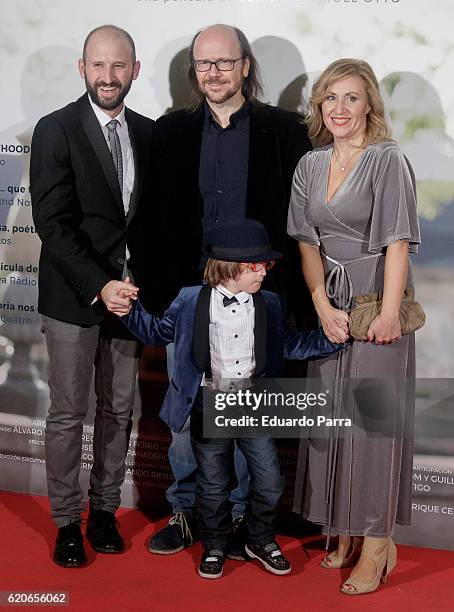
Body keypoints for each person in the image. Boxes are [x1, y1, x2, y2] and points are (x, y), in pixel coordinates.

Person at [149, 22, 313, 555]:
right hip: (192, 298)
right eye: (203, 64)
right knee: (186, 413)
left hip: (259, 297)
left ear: (245, 65)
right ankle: (189, 511)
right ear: (194, 71)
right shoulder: (170, 132)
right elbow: (153, 218)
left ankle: (240, 518)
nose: (213, 73)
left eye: (223, 62)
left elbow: (299, 219)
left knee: (244, 417)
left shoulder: (284, 131)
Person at [113, 219, 342, 579]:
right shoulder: (190, 300)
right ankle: (215, 544)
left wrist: (333, 337)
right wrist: (129, 310)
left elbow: (288, 345)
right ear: (233, 267)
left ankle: (260, 538)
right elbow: (158, 332)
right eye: (258, 265)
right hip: (209, 404)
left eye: (267, 264)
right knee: (213, 482)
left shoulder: (269, 303)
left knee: (269, 480)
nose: (265, 271)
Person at [287, 58, 421, 595]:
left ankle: (377, 543)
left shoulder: (388, 160)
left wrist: (388, 313)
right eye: (330, 98)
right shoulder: (308, 165)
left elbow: (397, 242)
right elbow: (305, 241)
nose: (339, 108)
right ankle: (342, 527)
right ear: (319, 105)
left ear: (370, 106)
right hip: (332, 307)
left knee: (372, 429)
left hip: (377, 302)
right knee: (333, 421)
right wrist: (321, 304)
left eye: (351, 98)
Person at [30, 25, 155, 567]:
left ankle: (103, 511)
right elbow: (52, 224)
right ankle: (65, 523)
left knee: (119, 410)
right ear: (82, 69)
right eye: (99, 66)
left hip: (129, 299)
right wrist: (98, 284)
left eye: (119, 66)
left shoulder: (150, 134)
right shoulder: (55, 129)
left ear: (135, 70)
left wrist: (133, 286)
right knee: (68, 413)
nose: (109, 77)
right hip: (74, 297)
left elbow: (151, 224)